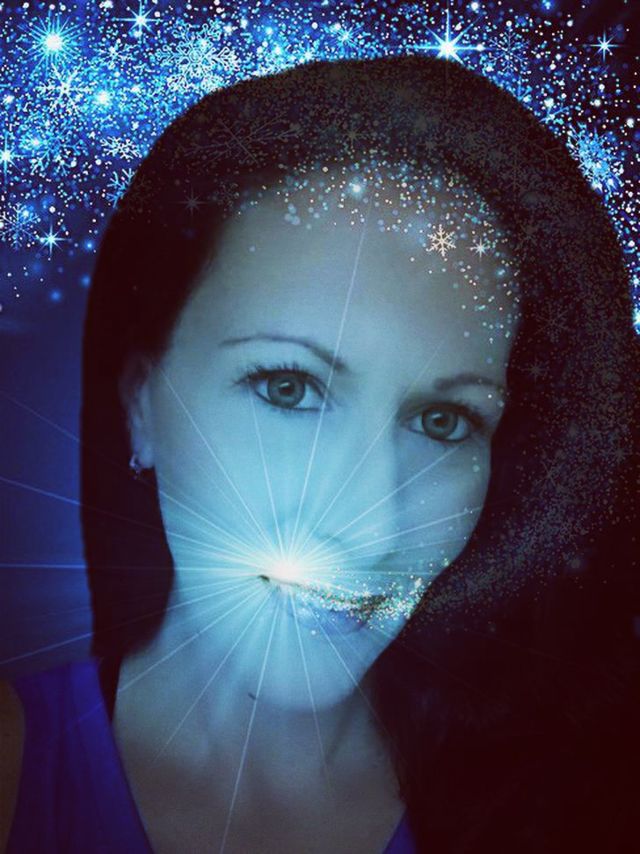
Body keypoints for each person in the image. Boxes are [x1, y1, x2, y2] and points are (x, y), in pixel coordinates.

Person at [1, 55, 639, 853]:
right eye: (288, 388)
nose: (372, 533)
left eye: (443, 421)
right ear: (140, 405)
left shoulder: (590, 803)